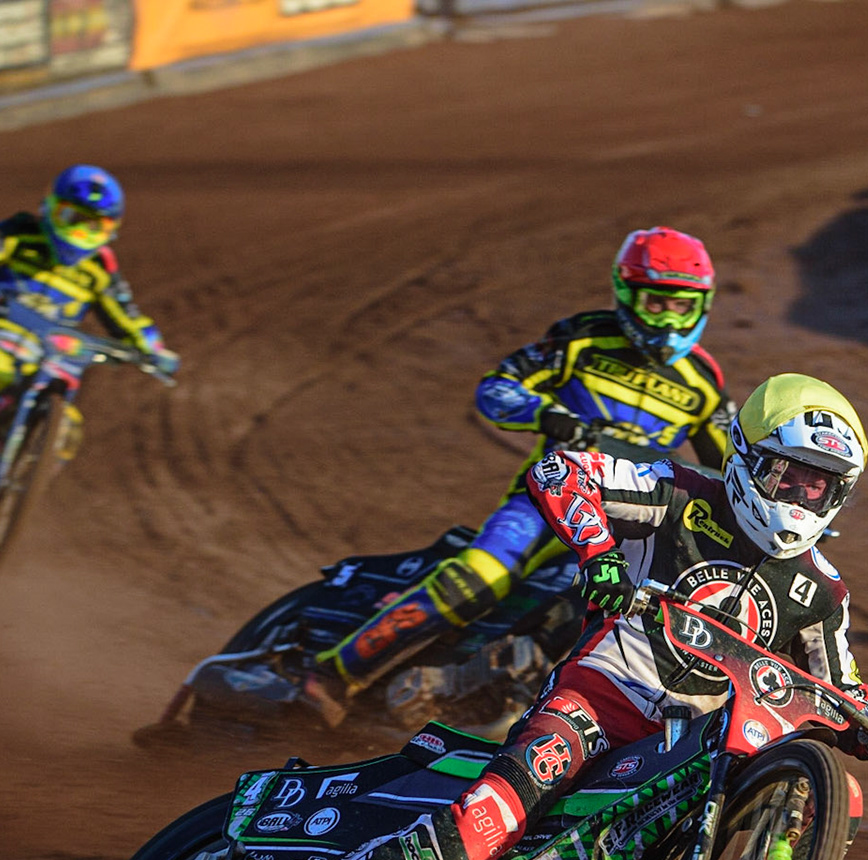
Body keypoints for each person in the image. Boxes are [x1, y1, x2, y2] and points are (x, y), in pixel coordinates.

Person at [234, 373, 868, 860]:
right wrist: (600, 555)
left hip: (693, 746)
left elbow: (842, 685)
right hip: (598, 701)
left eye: (821, 484)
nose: (802, 495)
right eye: (790, 475)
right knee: (489, 821)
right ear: (746, 458)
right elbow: (560, 471)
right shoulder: (678, 491)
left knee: (813, 799)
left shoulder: (823, 590)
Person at [301, 226, 734, 724]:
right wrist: (547, 414)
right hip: (548, 499)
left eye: (682, 306)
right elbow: (496, 388)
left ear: (703, 306)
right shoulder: (580, 338)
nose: (669, 319)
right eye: (656, 303)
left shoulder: (705, 383)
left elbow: (734, 463)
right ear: (626, 293)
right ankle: (334, 673)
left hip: (629, 522)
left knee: (630, 615)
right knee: (479, 579)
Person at [0, 164, 178, 516]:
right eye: (73, 218)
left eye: (94, 226)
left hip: (52, 359)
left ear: (110, 230)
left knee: (67, 429)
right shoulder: (20, 234)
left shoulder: (99, 270)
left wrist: (154, 349)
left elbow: (129, 317)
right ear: (51, 209)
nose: (80, 233)